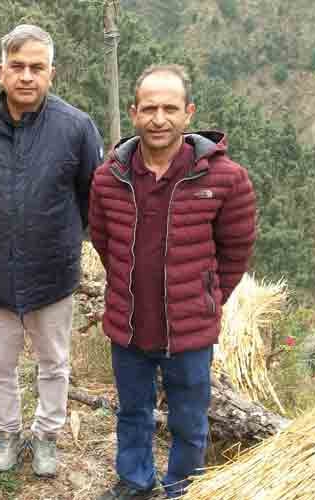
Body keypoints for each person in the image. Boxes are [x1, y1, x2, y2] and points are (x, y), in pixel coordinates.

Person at [88, 64, 257, 499]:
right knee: (133, 412)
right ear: (134, 113)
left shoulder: (225, 178)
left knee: (188, 417)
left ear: (188, 113)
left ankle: (182, 488)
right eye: (149, 108)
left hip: (189, 328)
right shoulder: (110, 177)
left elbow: (235, 251)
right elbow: (104, 243)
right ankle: (135, 481)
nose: (158, 118)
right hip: (129, 325)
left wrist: (204, 296)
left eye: (169, 108)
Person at [0, 24, 103, 478]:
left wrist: (54, 237)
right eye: (17, 66)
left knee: (53, 362)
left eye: (36, 67)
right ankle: (6, 432)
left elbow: (89, 199)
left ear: (52, 73)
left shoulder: (77, 128)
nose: (26, 76)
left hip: (52, 274)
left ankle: (47, 436)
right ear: (1, 71)